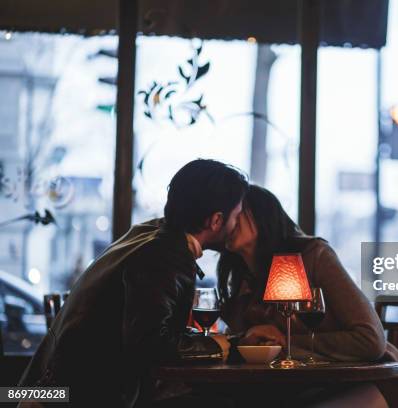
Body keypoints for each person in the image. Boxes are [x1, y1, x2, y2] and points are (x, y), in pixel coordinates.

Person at [19, 159, 248, 407]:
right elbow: (149, 344)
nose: (237, 225)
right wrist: (216, 345)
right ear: (215, 220)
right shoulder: (164, 255)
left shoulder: (150, 234)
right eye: (236, 216)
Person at [218, 185, 398, 407]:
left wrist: (284, 343)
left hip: (377, 383)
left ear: (262, 215)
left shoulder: (314, 256)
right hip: (307, 389)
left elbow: (371, 340)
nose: (230, 220)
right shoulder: (242, 278)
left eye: (238, 212)